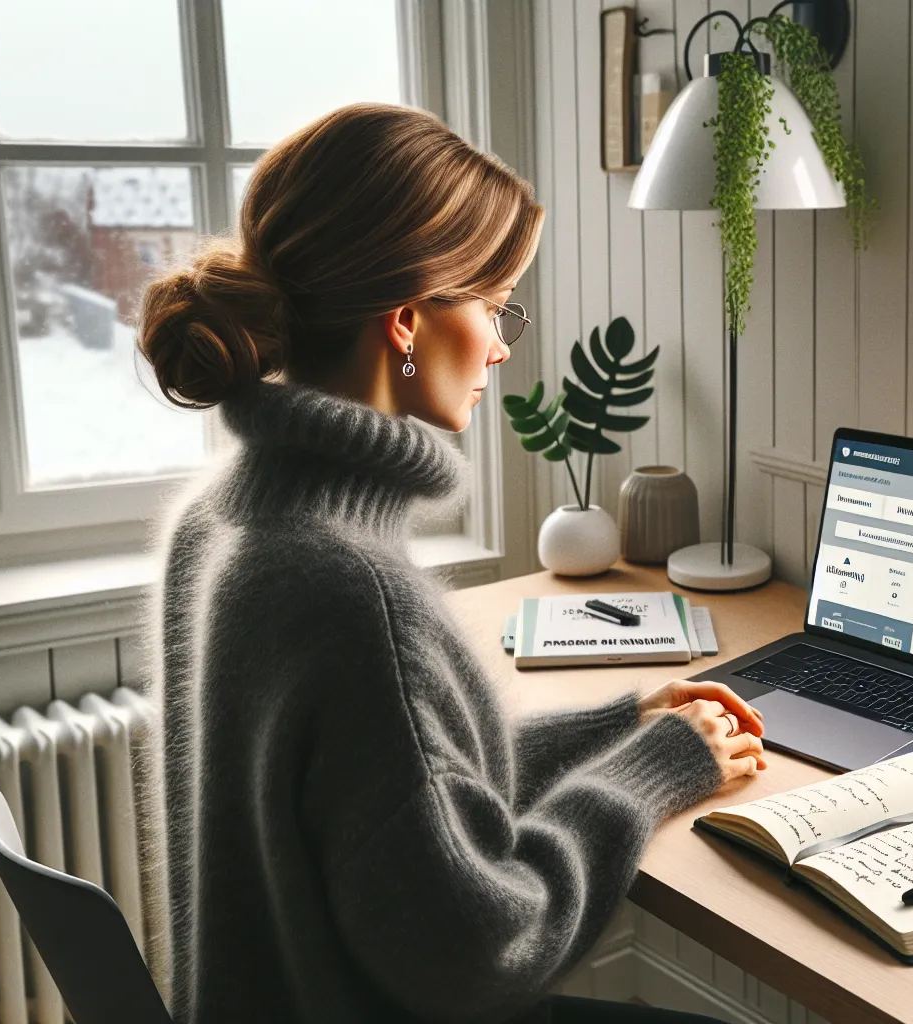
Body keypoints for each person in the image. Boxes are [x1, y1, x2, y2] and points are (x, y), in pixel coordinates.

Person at [135, 102, 765, 1024]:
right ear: (405, 321)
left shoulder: (222, 519)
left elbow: (399, 797)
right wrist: (655, 770)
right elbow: (483, 950)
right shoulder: (352, 590)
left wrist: (621, 726)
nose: (502, 345)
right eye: (493, 305)